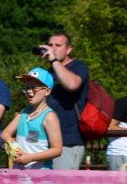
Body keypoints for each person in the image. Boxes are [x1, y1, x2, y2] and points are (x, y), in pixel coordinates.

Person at [34, 32, 89, 169]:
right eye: (50, 45)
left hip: (68, 140)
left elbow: (72, 85)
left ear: (68, 49)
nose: (52, 49)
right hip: (46, 140)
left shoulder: (78, 66)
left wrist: (54, 61)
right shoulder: (50, 71)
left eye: (58, 45)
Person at [0, 68, 63, 170]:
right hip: (20, 172)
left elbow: (57, 150)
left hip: (41, 176)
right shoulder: (24, 112)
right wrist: (14, 146)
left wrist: (30, 158)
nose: (29, 91)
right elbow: (5, 133)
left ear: (47, 91)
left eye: (34, 88)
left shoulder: (49, 117)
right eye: (26, 87)